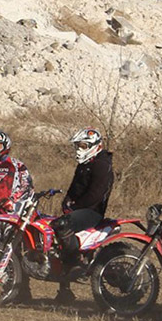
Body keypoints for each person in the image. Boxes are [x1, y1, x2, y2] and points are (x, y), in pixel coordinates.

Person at [51, 128, 114, 302]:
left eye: (83, 145)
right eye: (78, 145)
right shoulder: (83, 165)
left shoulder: (102, 165)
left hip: (93, 212)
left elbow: (96, 194)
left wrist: (76, 207)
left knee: (61, 226)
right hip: (79, 209)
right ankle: (64, 290)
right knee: (54, 239)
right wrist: (66, 201)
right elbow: (74, 187)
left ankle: (76, 263)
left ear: (95, 146)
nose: (79, 149)